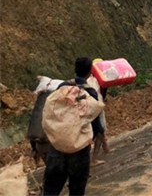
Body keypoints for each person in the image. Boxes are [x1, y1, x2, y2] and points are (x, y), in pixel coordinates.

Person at [42, 57, 106, 196]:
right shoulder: (90, 92)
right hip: (79, 149)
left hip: (57, 146)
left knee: (51, 189)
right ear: (90, 72)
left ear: (75, 70)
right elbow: (94, 121)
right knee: (77, 188)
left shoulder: (62, 87)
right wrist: (96, 136)